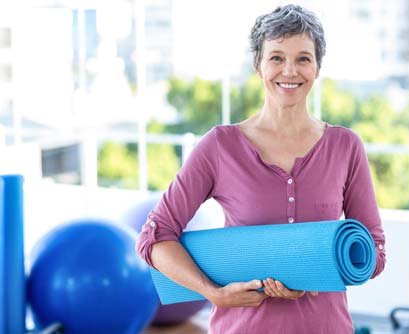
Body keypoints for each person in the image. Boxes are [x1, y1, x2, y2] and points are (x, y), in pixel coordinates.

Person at [136, 4, 386, 333]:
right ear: (258, 65)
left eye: (303, 58)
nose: (290, 71)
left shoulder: (345, 147)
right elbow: (154, 238)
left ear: (317, 67)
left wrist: (317, 274)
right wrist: (213, 293)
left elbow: (374, 250)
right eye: (277, 57)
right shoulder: (220, 146)